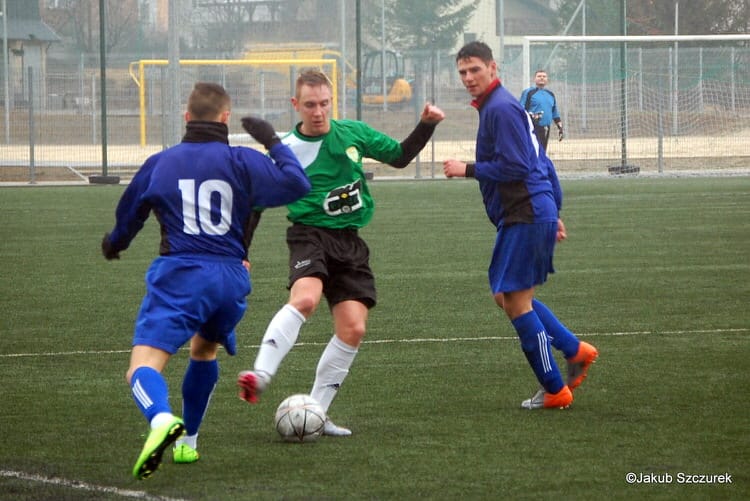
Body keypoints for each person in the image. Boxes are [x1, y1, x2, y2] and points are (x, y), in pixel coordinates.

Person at [101, 82, 311, 479]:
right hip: (232, 278)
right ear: (225, 118)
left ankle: (161, 419)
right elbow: (296, 184)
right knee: (203, 350)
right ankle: (188, 444)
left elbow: (130, 214)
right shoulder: (243, 159)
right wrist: (271, 140)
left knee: (141, 367)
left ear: (186, 117)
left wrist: (115, 244)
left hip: (183, 273)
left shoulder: (161, 162)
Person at [237, 69, 445, 435]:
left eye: (324, 104)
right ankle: (261, 373)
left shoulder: (353, 133)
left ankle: (316, 413)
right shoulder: (286, 149)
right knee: (306, 300)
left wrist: (426, 124)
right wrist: (242, 250)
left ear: (332, 102)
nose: (318, 112)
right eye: (310, 105)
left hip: (349, 242)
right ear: (296, 105)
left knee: (353, 328)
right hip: (309, 235)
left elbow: (398, 156)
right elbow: (255, 202)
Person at [443, 41, 598, 410]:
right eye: (462, 72)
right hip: (531, 212)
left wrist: (467, 169)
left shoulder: (501, 109)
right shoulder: (505, 107)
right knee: (507, 295)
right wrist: (554, 209)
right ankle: (575, 350)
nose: (468, 78)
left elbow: (516, 167)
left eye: (475, 70)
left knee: (513, 300)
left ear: (493, 69)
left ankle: (555, 390)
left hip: (525, 213)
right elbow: (542, 162)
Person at [519, 69, 563, 151]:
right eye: (539, 76)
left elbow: (554, 112)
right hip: (532, 127)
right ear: (534, 79)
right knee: (533, 152)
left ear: (547, 79)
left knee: (542, 151)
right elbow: (521, 110)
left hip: (546, 128)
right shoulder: (528, 93)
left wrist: (560, 127)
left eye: (544, 76)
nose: (542, 78)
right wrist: (531, 116)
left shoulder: (550, 94)